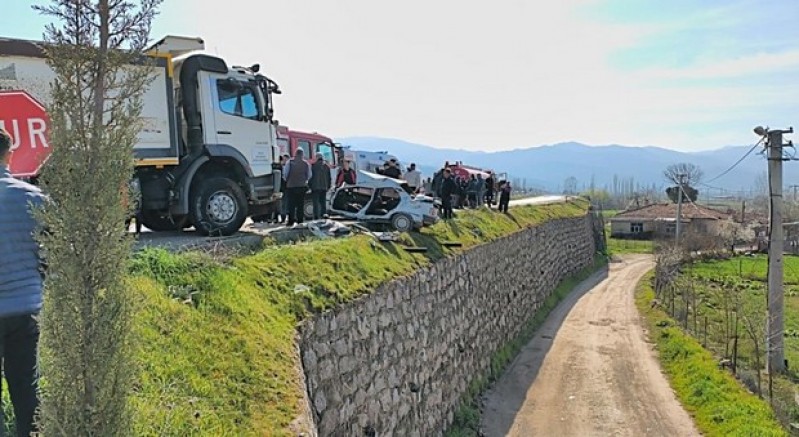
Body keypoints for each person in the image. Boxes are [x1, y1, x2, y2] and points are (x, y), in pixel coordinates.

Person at [0, 127, 46, 437]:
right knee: (26, 393)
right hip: (24, 310)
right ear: (9, 154)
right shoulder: (33, 198)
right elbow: (54, 252)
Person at [283, 148, 311, 226]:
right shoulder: (306, 163)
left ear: (295, 154)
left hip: (291, 186)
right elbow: (309, 175)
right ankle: (300, 220)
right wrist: (304, 180)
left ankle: (290, 221)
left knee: (291, 204)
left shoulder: (289, 162)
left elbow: (285, 174)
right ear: (302, 155)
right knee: (300, 204)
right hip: (301, 186)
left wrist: (288, 180)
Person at [309, 153, 331, 220]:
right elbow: (329, 178)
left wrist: (310, 186)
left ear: (317, 158)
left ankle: (316, 217)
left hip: (315, 187)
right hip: (324, 187)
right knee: (323, 202)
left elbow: (310, 177)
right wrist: (328, 187)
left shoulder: (313, 166)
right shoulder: (327, 167)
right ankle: (324, 215)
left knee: (315, 203)